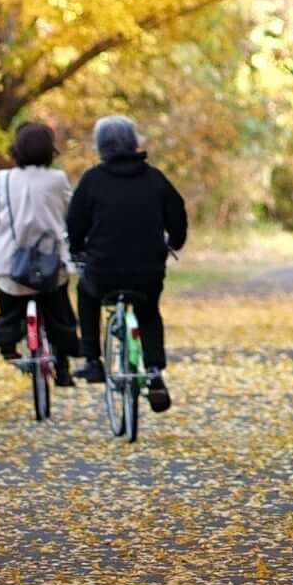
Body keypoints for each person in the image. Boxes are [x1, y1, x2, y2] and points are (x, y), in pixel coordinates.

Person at [65, 114, 188, 410]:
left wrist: (77, 249)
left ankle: (93, 359)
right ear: (134, 143)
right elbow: (178, 214)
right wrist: (173, 244)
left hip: (102, 271)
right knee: (148, 312)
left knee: (86, 293)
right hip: (147, 271)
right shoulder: (154, 178)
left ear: (99, 146)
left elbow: (74, 222)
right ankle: (155, 369)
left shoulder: (92, 180)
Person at [0, 119, 77, 384]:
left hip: (9, 264)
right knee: (58, 313)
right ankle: (63, 366)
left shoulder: (3, 179)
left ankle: (8, 345)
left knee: (10, 308)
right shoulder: (57, 179)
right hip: (50, 264)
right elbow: (72, 214)